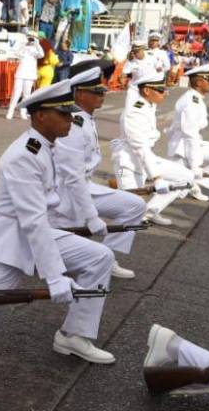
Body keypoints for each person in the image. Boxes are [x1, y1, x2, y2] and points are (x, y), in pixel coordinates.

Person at [0, 81, 117, 363]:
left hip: (37, 234)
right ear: (40, 116)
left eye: (70, 114)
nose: (70, 120)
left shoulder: (46, 146)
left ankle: (74, 336)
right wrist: (56, 276)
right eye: (63, 115)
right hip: (9, 244)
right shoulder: (24, 155)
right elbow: (33, 221)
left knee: (100, 257)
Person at [53, 65, 146, 280]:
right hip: (65, 193)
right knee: (60, 241)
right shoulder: (73, 124)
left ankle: (108, 257)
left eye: (102, 90)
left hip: (83, 186)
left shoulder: (85, 118)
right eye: (96, 91)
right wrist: (92, 216)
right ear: (79, 93)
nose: (102, 95)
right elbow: (72, 178)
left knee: (135, 206)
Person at [110, 72, 197, 226]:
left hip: (146, 159)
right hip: (128, 163)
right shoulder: (135, 112)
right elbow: (140, 148)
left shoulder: (149, 104)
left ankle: (151, 211)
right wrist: (157, 178)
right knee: (130, 213)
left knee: (185, 177)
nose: (166, 93)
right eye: (161, 90)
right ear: (147, 91)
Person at [165, 64, 209, 186]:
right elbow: (190, 134)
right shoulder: (192, 102)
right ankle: (194, 180)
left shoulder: (195, 98)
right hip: (183, 148)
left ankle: (195, 183)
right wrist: (195, 165)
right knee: (172, 189)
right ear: (199, 82)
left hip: (191, 144)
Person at [6, 33, 43, 119]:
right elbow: (16, 53)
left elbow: (42, 54)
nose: (30, 39)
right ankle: (10, 111)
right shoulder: (23, 48)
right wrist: (24, 44)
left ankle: (23, 112)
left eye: (32, 38)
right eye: (29, 37)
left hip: (30, 75)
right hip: (20, 74)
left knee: (26, 95)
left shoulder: (35, 50)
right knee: (16, 93)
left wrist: (37, 43)